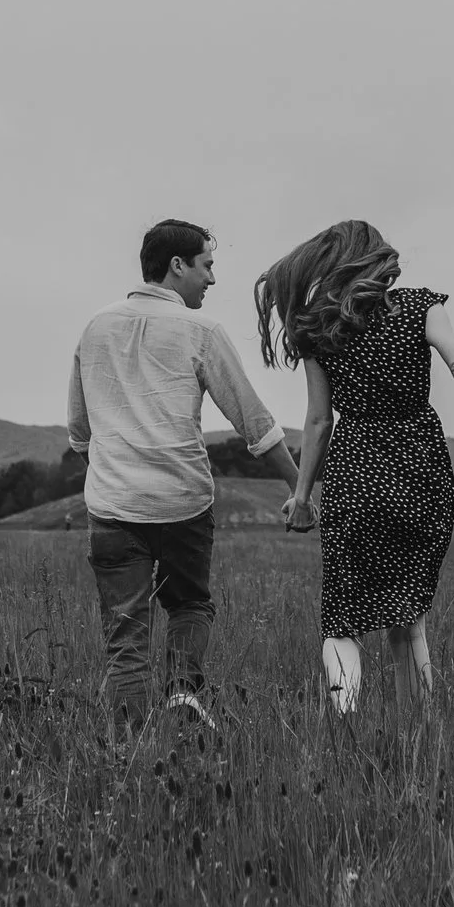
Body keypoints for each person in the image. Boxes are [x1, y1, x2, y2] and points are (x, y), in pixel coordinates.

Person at [254, 221, 454, 716]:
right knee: (408, 617)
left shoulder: (320, 327)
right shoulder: (421, 306)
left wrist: (302, 496)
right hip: (419, 469)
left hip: (356, 472)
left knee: (343, 617)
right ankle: (417, 735)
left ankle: (344, 722)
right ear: (376, 257)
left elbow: (319, 422)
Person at [67, 219, 301, 732]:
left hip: (112, 509)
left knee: (125, 637)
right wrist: (299, 487)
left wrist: (114, 480)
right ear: (177, 265)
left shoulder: (95, 328)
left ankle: (127, 747)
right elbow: (254, 421)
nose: (212, 279)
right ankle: (182, 696)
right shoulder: (202, 332)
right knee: (190, 604)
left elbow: (81, 434)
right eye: (207, 266)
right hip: (183, 505)